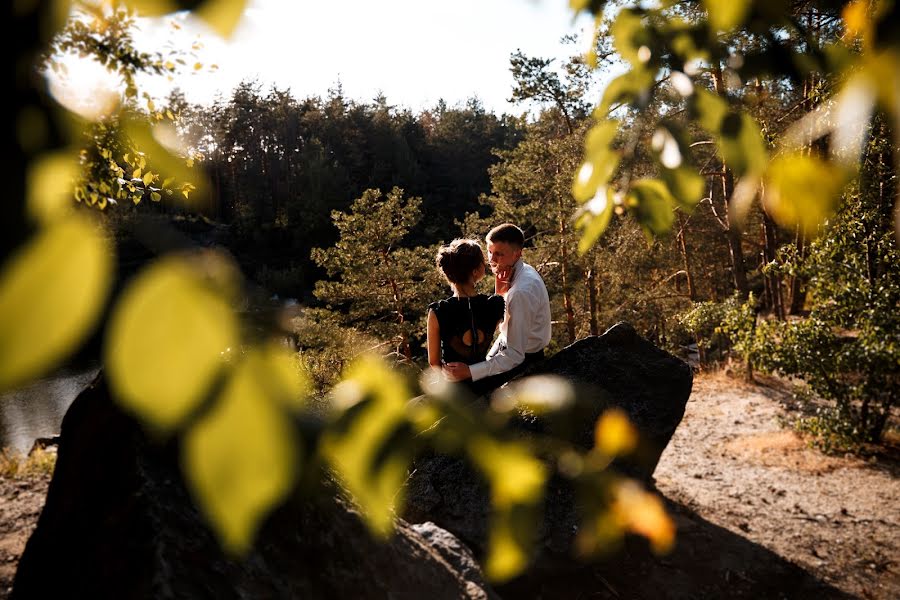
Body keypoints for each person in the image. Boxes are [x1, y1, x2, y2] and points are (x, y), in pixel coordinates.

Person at [444, 223, 551, 390]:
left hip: (522, 361)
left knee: (466, 392)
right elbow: (504, 326)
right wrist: (501, 290)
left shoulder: (521, 291)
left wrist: (470, 371)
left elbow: (515, 355)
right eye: (490, 252)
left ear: (517, 254)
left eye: (499, 254)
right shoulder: (516, 272)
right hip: (506, 347)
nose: (492, 260)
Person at [427, 239, 505, 396]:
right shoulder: (495, 305)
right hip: (485, 384)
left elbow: (434, 362)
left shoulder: (439, 311)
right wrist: (502, 278)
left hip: (455, 391)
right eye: (483, 262)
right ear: (476, 271)